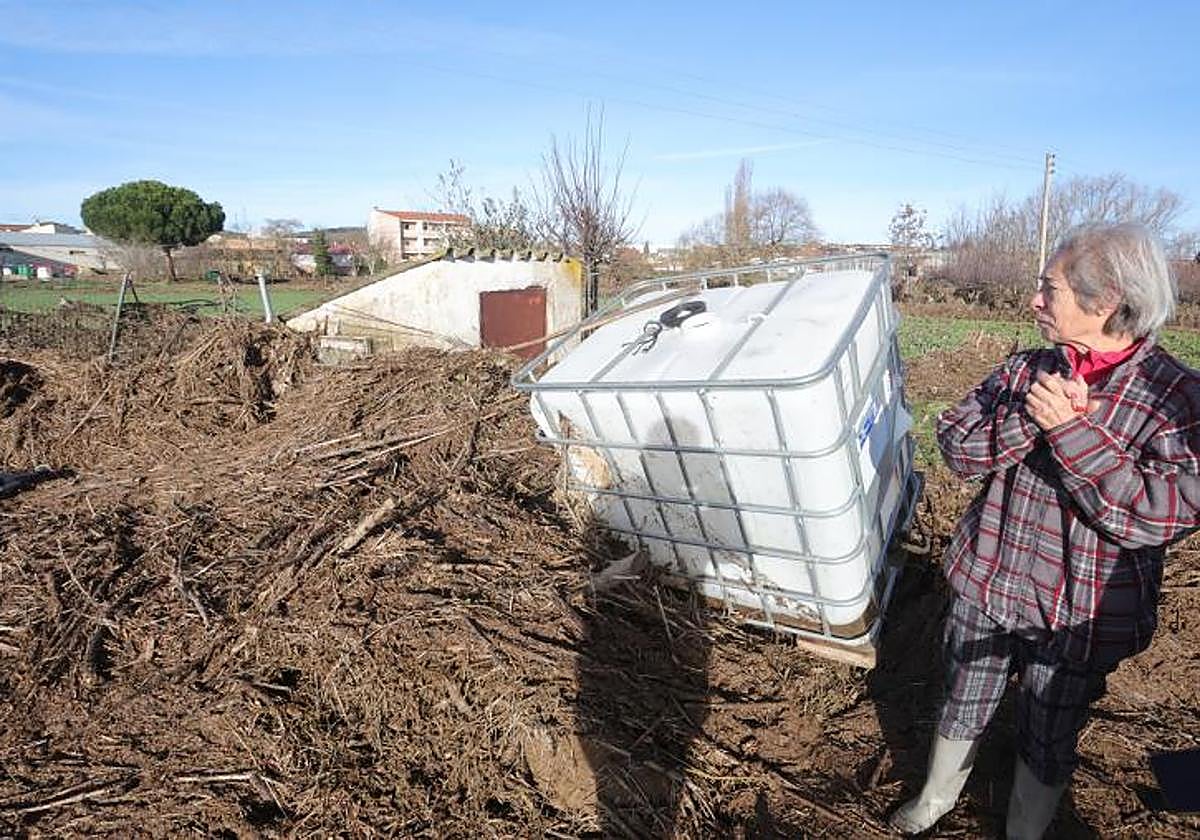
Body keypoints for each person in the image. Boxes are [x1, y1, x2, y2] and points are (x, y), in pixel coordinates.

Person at [890, 223, 1200, 839]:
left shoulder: (1176, 399)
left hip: (1080, 610)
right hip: (989, 577)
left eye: (1048, 288)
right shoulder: (1030, 368)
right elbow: (955, 444)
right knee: (961, 695)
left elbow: (1154, 515)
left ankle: (1024, 829)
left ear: (1106, 300)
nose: (1034, 301)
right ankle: (936, 799)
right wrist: (1031, 421)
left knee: (1050, 724)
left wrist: (1072, 434)